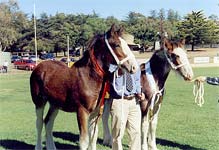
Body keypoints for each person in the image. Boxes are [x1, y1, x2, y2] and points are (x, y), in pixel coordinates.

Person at [108, 33, 145, 150]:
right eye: (128, 47)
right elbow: (111, 77)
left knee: (135, 132)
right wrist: (121, 67)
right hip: (119, 102)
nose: (130, 50)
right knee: (118, 134)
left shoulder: (135, 64)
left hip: (134, 102)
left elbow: (137, 81)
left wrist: (140, 92)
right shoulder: (113, 64)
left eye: (131, 48)